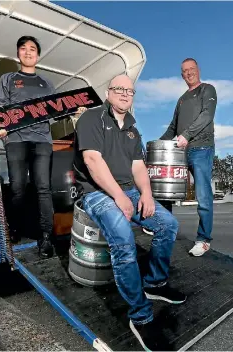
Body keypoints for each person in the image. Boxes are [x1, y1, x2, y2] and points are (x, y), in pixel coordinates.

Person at [73, 74, 186, 351]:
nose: (125, 94)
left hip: (130, 191)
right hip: (98, 193)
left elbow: (138, 166)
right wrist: (120, 196)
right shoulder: (92, 118)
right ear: (108, 92)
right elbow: (92, 160)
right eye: (119, 89)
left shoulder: (133, 127)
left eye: (130, 91)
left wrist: (146, 193)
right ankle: (141, 316)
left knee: (167, 224)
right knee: (123, 238)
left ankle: (155, 283)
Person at [0, 35, 57, 258]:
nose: (28, 52)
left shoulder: (47, 83)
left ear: (38, 55)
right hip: (16, 139)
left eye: (32, 49)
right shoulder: (8, 79)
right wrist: (0, 128)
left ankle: (46, 237)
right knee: (18, 187)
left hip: (42, 141)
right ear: (18, 53)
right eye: (23, 49)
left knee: (43, 188)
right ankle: (15, 229)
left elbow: (57, 111)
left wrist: (75, 111)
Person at [160, 58, 217, 257]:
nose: (189, 73)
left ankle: (203, 240)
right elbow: (172, 128)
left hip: (201, 148)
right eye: (185, 71)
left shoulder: (207, 90)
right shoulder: (182, 99)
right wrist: (157, 145)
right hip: (181, 151)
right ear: (182, 75)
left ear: (198, 70)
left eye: (192, 69)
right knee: (164, 188)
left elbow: (206, 116)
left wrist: (186, 135)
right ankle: (164, 227)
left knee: (203, 196)